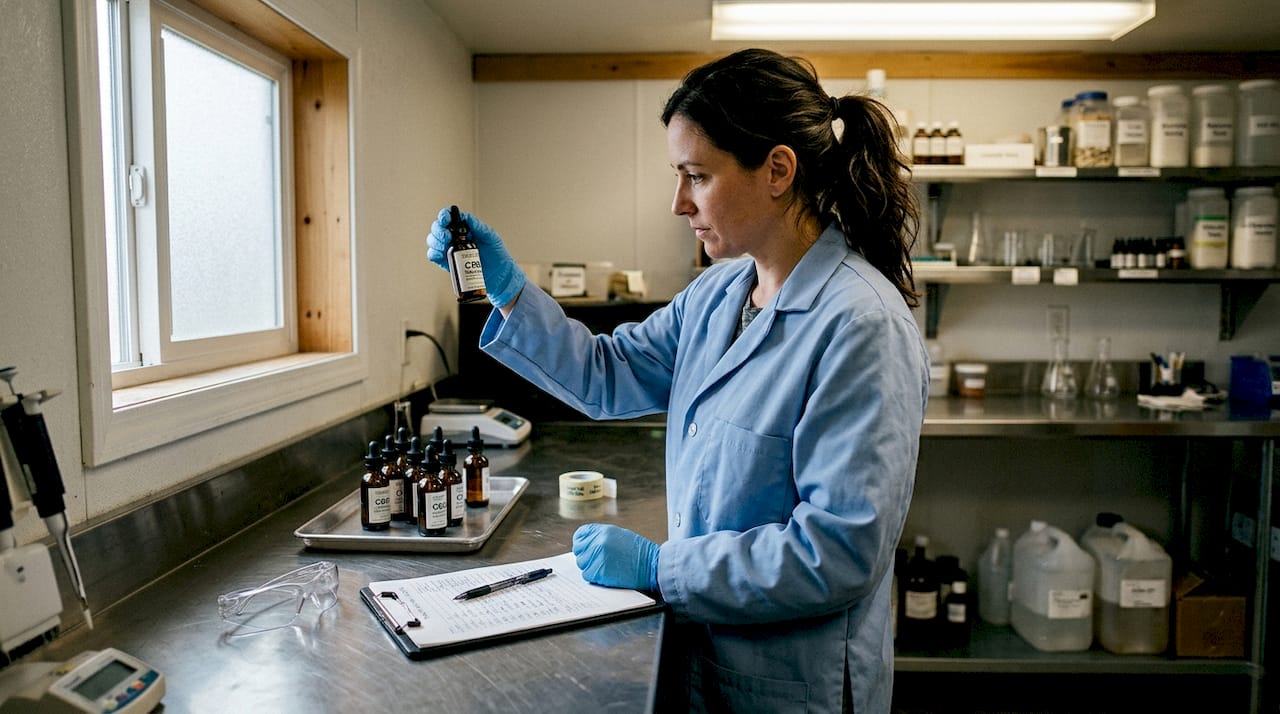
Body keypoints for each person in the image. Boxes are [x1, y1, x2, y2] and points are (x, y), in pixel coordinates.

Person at [426, 48, 928, 714]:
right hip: (708, 654)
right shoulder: (720, 292)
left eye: (697, 175)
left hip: (790, 684)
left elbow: (835, 553)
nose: (677, 202)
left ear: (777, 170)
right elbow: (608, 374)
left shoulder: (860, 324)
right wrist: (509, 289)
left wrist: (660, 570)